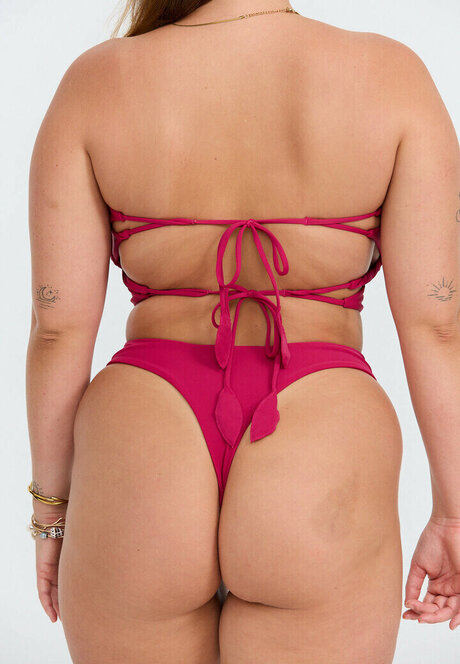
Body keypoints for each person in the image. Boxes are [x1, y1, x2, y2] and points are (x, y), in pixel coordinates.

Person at [26, 1, 460, 662]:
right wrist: (454, 512)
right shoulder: (390, 76)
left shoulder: (97, 81)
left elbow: (56, 329)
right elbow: (438, 326)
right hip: (322, 443)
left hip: (142, 444)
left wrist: (52, 518)